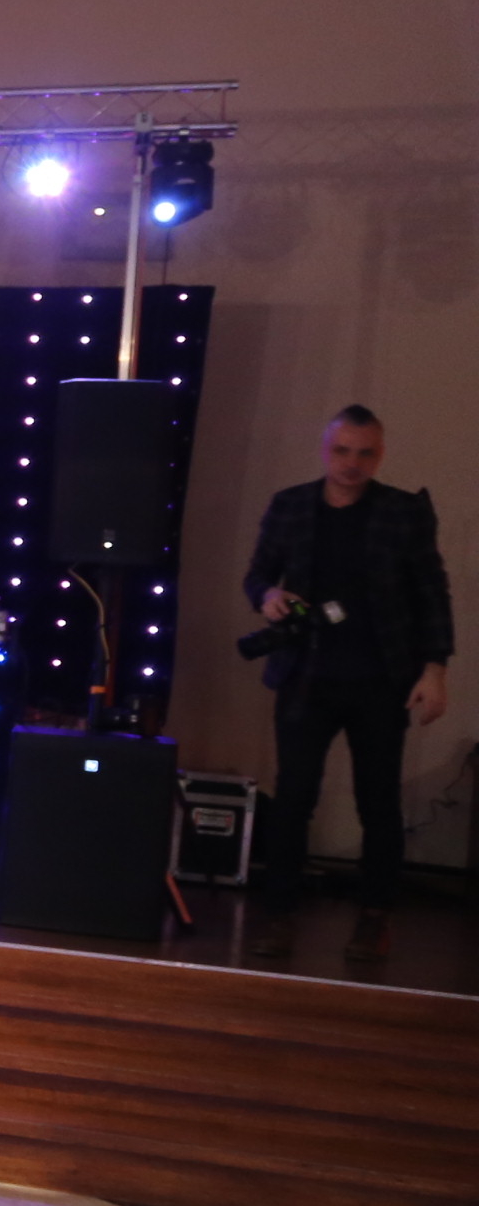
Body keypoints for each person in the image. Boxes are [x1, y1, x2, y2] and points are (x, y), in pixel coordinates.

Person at [244, 406, 451, 958]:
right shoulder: (291, 505)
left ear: (379, 456)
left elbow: (431, 591)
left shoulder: (403, 512)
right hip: (306, 673)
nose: (352, 463)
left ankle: (375, 916)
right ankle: (279, 913)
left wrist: (435, 668)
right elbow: (258, 573)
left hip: (380, 677)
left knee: (377, 801)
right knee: (293, 798)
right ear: (325, 450)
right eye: (342, 451)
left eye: (364, 453)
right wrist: (268, 595)